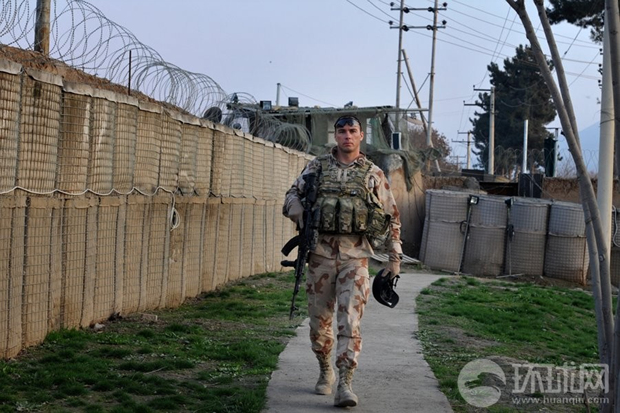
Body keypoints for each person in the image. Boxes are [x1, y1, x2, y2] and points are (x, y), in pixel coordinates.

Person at [282, 115, 402, 408]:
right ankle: (325, 369)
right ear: (335, 136)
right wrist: (299, 212)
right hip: (320, 255)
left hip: (355, 257)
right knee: (319, 323)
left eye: (352, 131)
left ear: (361, 135)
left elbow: (392, 216)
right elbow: (291, 195)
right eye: (342, 131)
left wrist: (394, 259)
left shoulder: (373, 173)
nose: (347, 135)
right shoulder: (316, 167)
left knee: (350, 319)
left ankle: (345, 382)